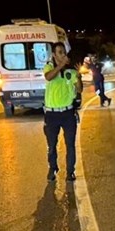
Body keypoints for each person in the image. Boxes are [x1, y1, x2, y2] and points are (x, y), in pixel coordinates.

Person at [43, 42, 82, 182]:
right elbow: (48, 77)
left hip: (68, 114)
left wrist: (78, 76)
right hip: (52, 115)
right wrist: (61, 65)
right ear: (54, 55)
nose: (63, 54)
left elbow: (79, 89)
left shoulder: (69, 72)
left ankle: (70, 172)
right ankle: (52, 168)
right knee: (52, 145)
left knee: (70, 145)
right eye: (59, 52)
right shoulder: (49, 67)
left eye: (64, 52)